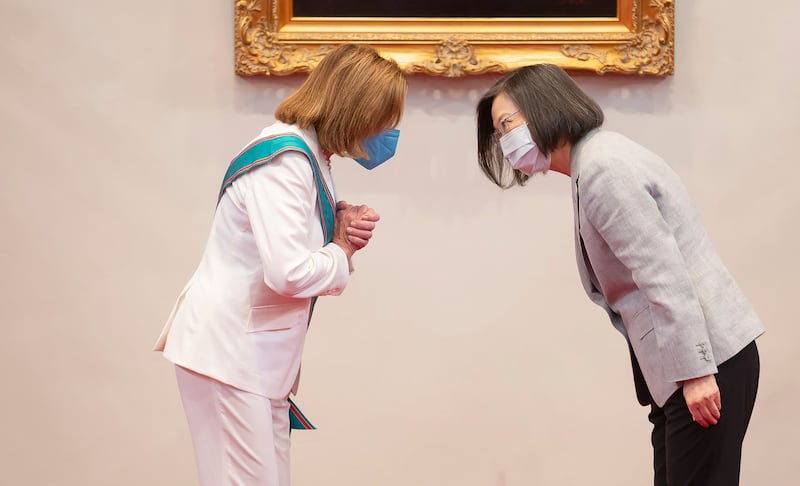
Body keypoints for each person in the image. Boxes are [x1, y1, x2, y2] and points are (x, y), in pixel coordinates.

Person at [475, 64, 764, 486]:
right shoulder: (596, 160)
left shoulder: (603, 169)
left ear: (542, 108)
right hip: (688, 367)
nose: (505, 143)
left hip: (705, 363)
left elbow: (662, 275)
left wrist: (697, 374)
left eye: (506, 126)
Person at [153, 44, 407, 486]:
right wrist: (342, 250)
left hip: (255, 360)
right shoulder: (286, 160)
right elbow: (288, 272)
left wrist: (334, 228)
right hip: (229, 354)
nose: (387, 130)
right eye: (383, 117)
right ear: (354, 109)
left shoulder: (310, 156)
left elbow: (294, 243)